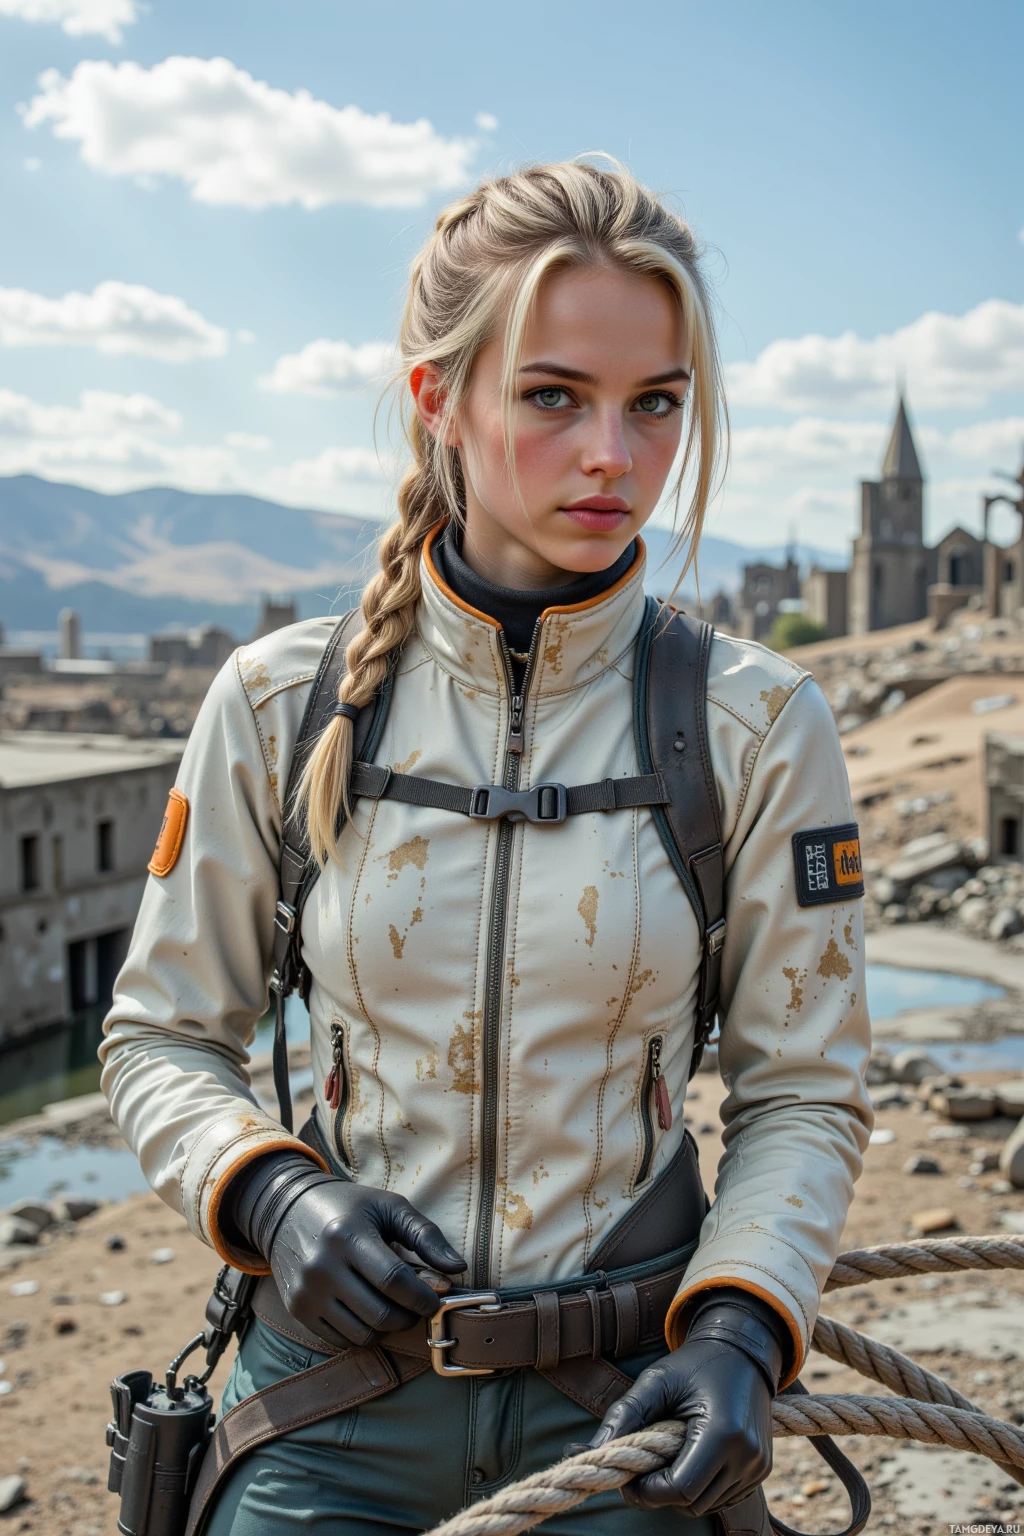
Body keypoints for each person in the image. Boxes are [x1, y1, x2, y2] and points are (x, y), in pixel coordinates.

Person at [101, 159, 873, 1535]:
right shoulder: (279, 703)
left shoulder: (761, 727)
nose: (612, 457)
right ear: (437, 399)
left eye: (657, 407)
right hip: (327, 1407)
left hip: (626, 1408)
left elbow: (803, 1088)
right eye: (553, 395)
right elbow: (160, 1034)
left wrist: (746, 1326)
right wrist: (273, 1195)